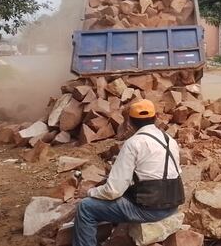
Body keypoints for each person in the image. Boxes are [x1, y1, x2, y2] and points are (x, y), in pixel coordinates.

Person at [73, 99, 183, 246]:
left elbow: (114, 191)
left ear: (130, 122)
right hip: (172, 204)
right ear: (156, 117)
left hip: (150, 210)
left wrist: (90, 192)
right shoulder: (170, 140)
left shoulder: (133, 143)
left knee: (86, 208)